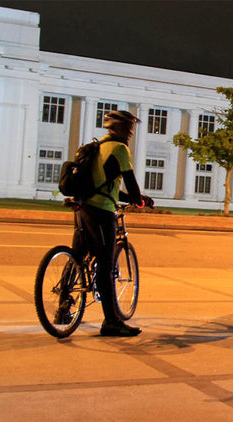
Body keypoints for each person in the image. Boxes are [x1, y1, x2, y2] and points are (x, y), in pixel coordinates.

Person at [72, 110, 154, 337]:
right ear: (116, 128)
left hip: (83, 207)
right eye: (127, 129)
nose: (129, 134)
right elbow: (130, 183)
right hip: (102, 211)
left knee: (77, 257)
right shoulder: (119, 149)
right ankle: (110, 321)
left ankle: (63, 307)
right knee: (105, 265)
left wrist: (137, 199)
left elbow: (111, 188)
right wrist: (140, 200)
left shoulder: (96, 147)